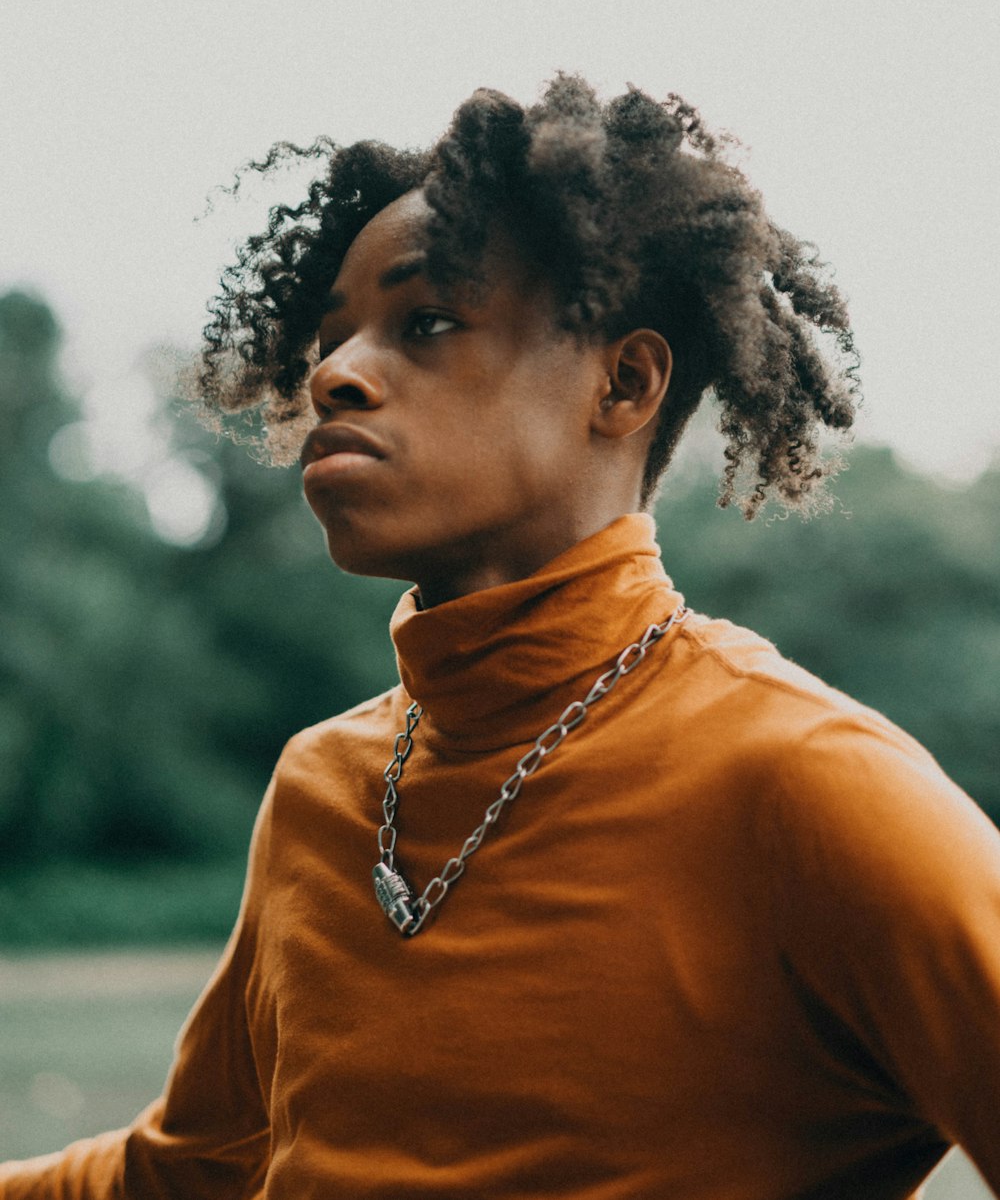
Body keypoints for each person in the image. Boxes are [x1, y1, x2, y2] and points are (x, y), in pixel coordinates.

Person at [3, 72, 998, 1198]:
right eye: (331, 338)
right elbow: (180, 1176)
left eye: (426, 321)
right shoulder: (321, 786)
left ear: (622, 383)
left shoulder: (804, 785)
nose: (332, 371)